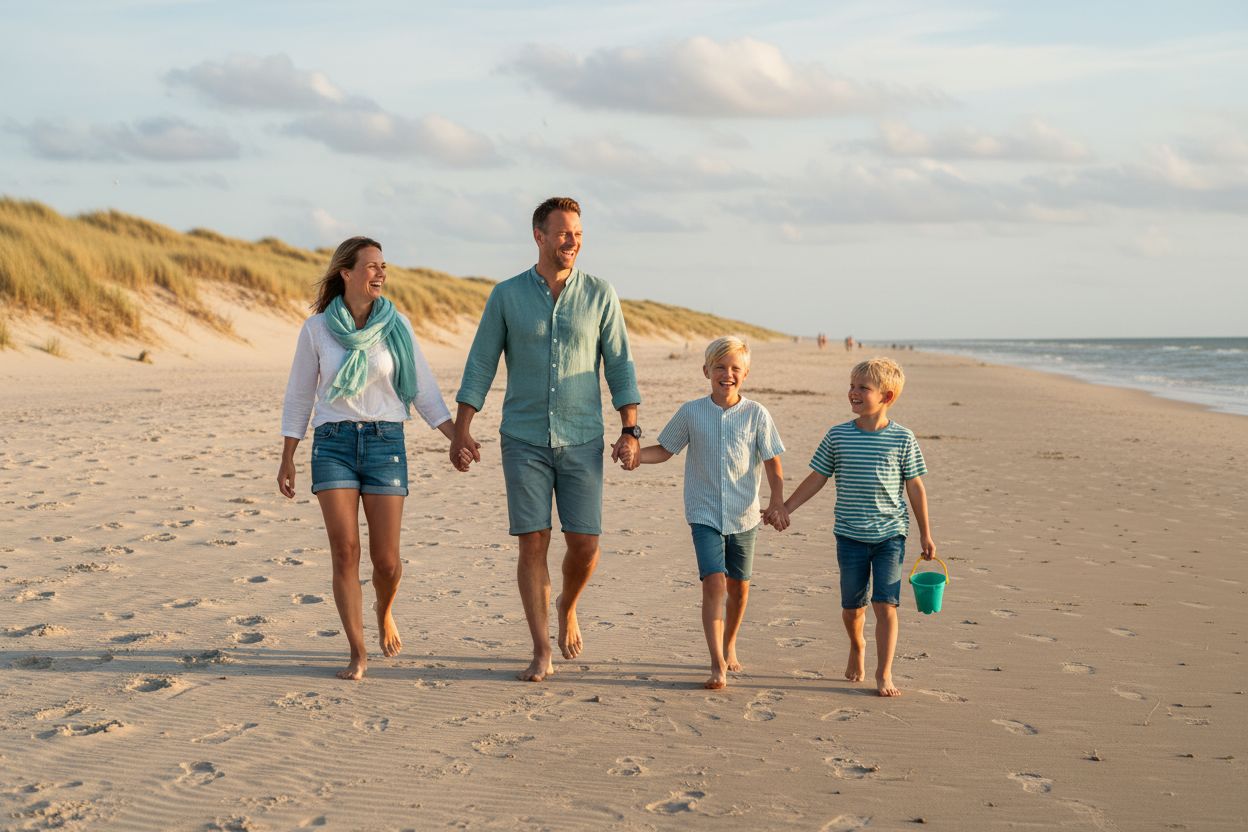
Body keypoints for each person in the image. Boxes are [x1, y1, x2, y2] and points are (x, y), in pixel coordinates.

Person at [451, 197, 641, 682]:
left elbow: (619, 363)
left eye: (578, 233)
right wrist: (463, 426)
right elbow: (480, 362)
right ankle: (540, 650)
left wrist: (630, 428)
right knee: (532, 542)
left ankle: (567, 604)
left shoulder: (601, 294)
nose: (572, 241)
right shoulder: (506, 296)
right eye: (562, 233)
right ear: (539, 236)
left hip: (583, 436)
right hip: (523, 437)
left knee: (585, 544)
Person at [278, 237, 462, 681]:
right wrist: (288, 455)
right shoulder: (318, 329)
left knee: (386, 562)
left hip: (385, 442)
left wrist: (455, 436)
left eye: (384, 267)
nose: (380, 273)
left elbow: (421, 387)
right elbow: (300, 394)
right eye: (372, 266)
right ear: (347, 272)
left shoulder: (395, 324)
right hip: (333, 443)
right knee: (345, 552)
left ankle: (384, 610)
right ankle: (357, 651)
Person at [766, 357, 935, 697]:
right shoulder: (838, 435)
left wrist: (926, 533)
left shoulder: (903, 439)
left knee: (885, 605)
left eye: (863, 388)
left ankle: (884, 673)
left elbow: (915, 487)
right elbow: (818, 477)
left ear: (886, 396)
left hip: (891, 535)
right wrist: (786, 507)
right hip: (850, 535)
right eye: (852, 386)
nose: (853, 393)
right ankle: (857, 645)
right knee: (851, 608)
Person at [639, 337, 785, 690]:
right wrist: (635, 456)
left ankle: (729, 643)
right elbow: (665, 449)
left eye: (735, 368)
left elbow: (773, 463)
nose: (727, 374)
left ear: (745, 373)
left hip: (745, 516)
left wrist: (778, 501)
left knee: (740, 589)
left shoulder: (757, 415)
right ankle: (716, 662)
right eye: (720, 367)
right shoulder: (691, 411)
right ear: (706, 370)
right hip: (703, 513)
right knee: (714, 584)